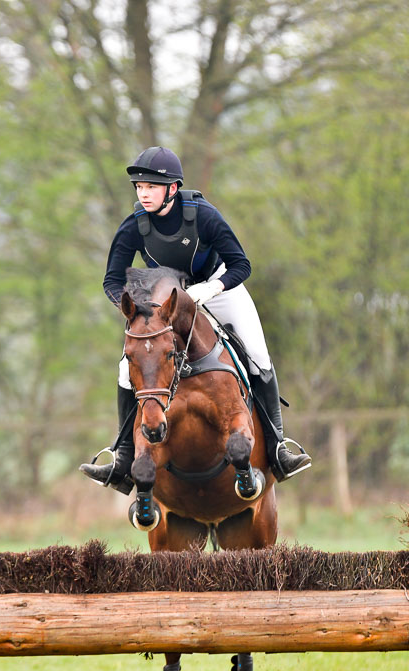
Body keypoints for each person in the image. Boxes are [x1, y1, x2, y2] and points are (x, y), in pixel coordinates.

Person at [80, 146, 311, 493]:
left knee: (259, 356)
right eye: (139, 187)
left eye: (151, 187)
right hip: (165, 303)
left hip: (218, 290)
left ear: (172, 189)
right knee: (124, 370)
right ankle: (123, 456)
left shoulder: (202, 215)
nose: (143, 193)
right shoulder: (134, 226)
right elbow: (112, 280)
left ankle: (278, 447)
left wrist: (211, 288)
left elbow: (241, 265)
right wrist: (133, 308)